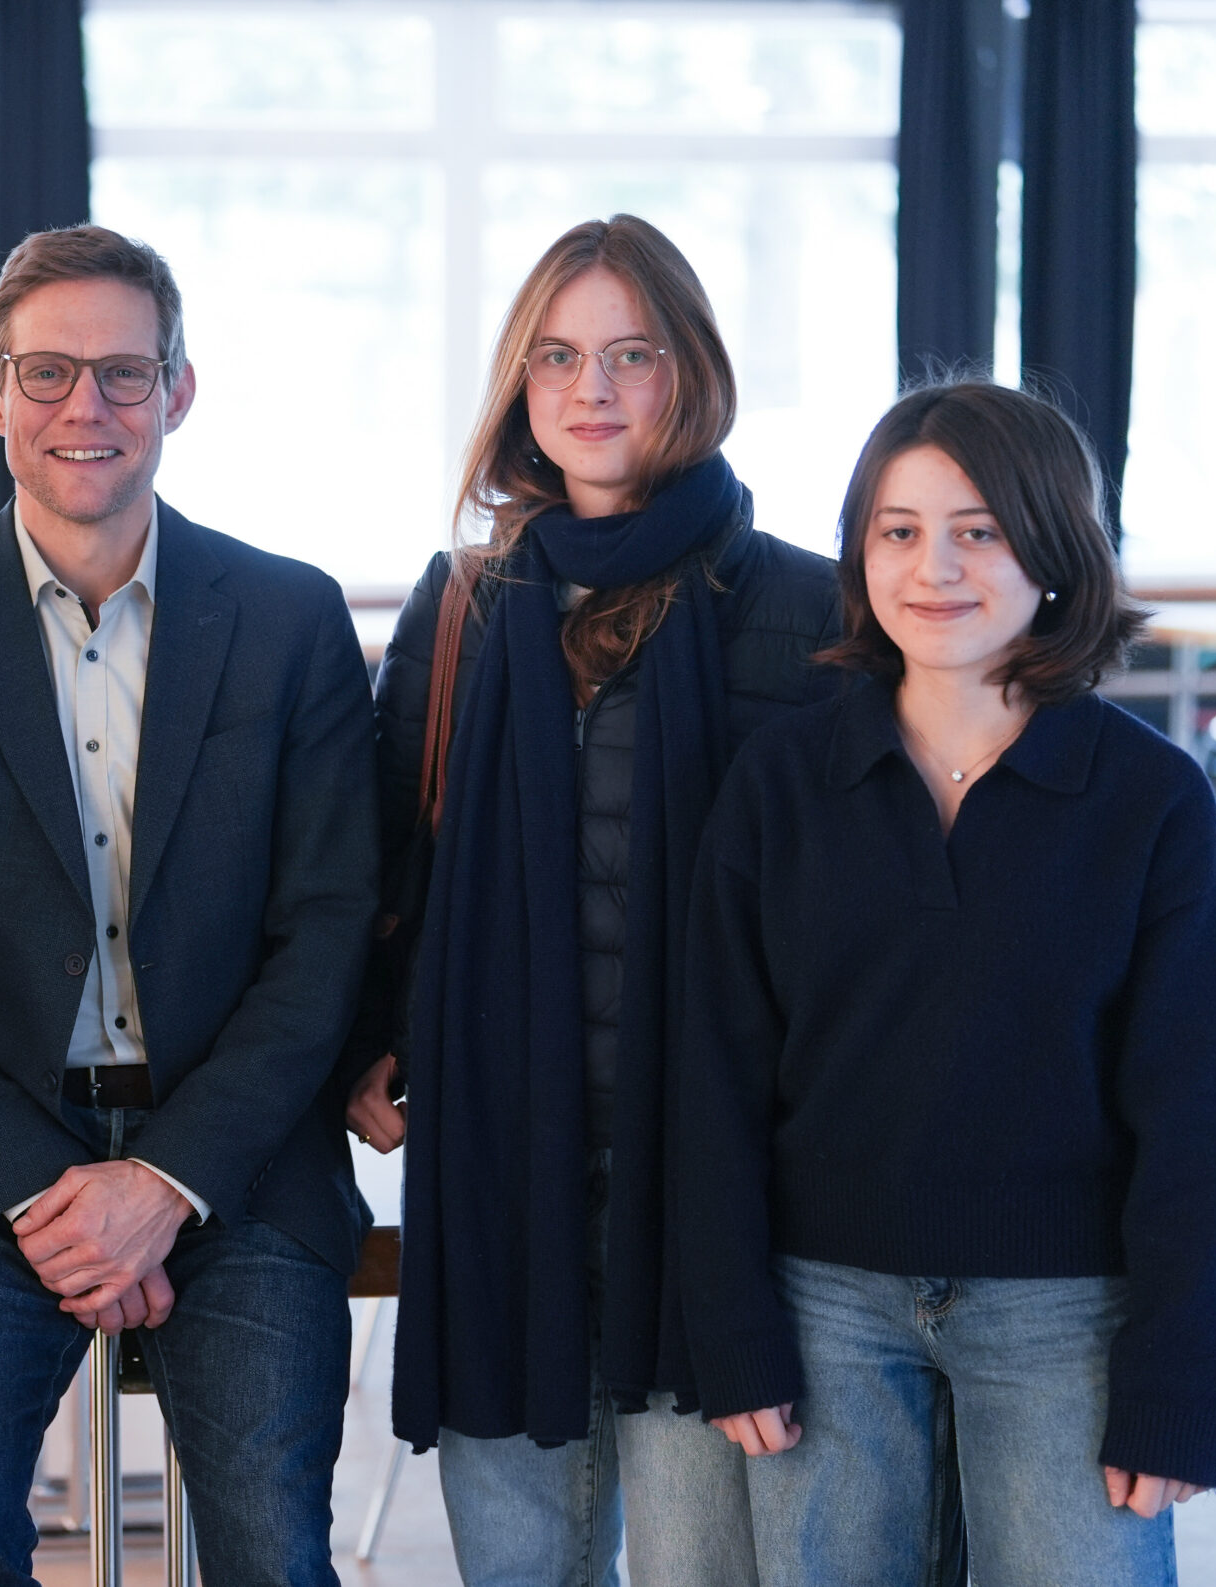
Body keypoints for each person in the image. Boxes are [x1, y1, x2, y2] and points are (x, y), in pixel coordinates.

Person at [0, 224, 378, 1586]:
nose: (88, 408)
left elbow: (330, 926)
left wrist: (165, 1179)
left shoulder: (292, 619)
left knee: (275, 1549)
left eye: (126, 373)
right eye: (49, 371)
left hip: (240, 1155)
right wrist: (56, 1190)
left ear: (179, 392)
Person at [670, 379, 1216, 1585]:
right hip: (821, 1299)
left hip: (1064, 1313)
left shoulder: (1149, 802)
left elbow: (1194, 1122)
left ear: (1052, 552)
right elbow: (713, 1073)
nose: (933, 567)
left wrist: (1178, 1388)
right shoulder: (780, 784)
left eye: (977, 530)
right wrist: (732, 1332)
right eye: (898, 531)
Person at [341, 214, 840, 1587]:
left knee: (698, 1569)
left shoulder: (806, 610)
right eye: (558, 355)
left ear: (694, 372)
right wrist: (370, 1035)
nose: (594, 388)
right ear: (520, 384)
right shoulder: (463, 606)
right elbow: (399, 864)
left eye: (634, 352)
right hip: (503, 1167)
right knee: (518, 1567)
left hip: (719, 1188)